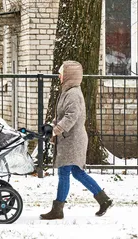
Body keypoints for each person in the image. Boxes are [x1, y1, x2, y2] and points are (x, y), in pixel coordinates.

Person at [40, 61, 113, 220]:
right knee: (77, 172)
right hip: (70, 139)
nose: (59, 76)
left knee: (65, 172)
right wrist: (51, 125)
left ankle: (58, 210)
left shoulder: (73, 93)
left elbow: (70, 117)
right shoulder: (67, 92)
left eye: (61, 73)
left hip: (73, 140)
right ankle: (103, 199)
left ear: (68, 75)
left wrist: (55, 130)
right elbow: (62, 115)